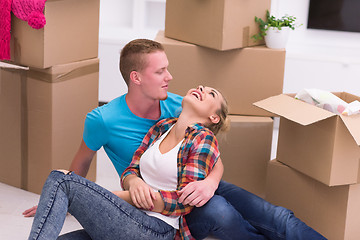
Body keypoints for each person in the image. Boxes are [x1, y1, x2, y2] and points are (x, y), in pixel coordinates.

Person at [24, 39, 326, 240]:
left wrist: (208, 183)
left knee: (272, 216)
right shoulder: (145, 122)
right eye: (161, 71)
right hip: (143, 201)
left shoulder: (180, 108)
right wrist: (64, 199)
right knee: (62, 189)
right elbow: (113, 165)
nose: (170, 77)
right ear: (136, 78)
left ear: (213, 116)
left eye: (167, 69)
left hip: (182, 196)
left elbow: (212, 157)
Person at [28, 85, 229, 240]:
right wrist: (134, 183)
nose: (202, 89)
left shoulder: (204, 139)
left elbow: (182, 202)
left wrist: (115, 196)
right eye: (201, 87)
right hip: (126, 218)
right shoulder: (161, 128)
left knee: (62, 180)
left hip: (155, 230)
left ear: (214, 117)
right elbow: (131, 169)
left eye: (211, 94)